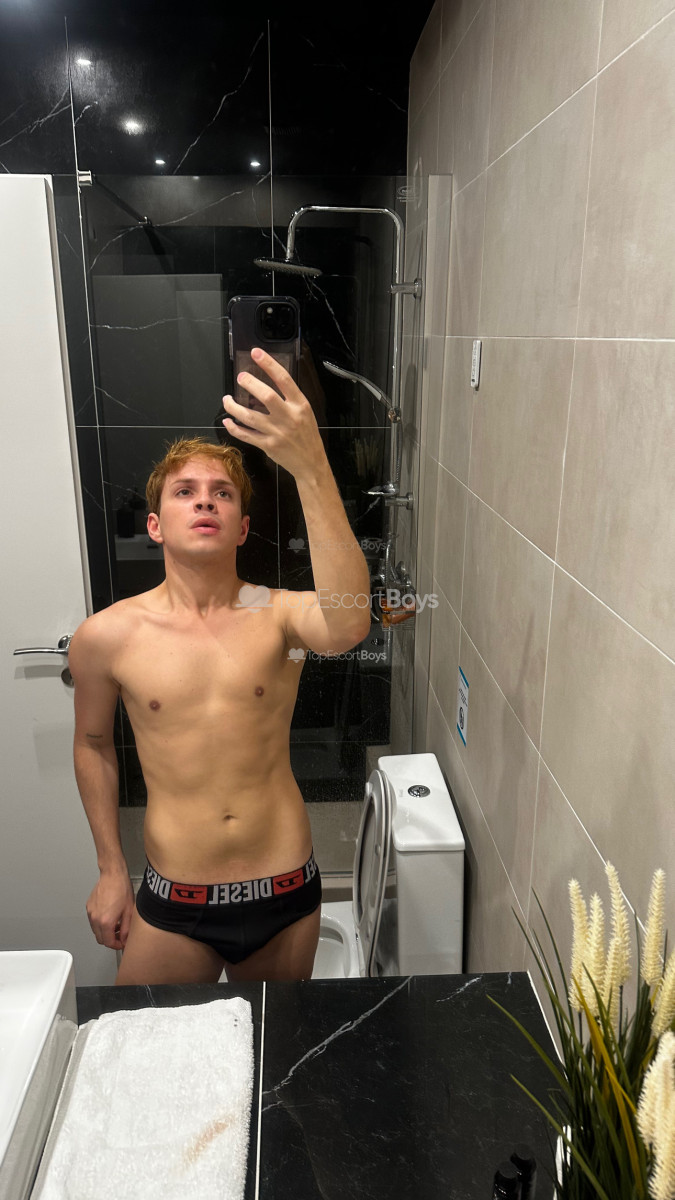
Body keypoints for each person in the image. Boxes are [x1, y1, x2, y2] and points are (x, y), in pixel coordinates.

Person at [69, 348, 371, 984]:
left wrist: (310, 464)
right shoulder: (107, 636)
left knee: (276, 1047)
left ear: (242, 528)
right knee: (146, 1044)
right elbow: (93, 744)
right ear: (156, 525)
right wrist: (110, 869)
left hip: (284, 892)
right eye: (186, 492)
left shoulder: (278, 613)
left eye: (222, 494)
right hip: (173, 900)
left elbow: (348, 625)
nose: (205, 502)